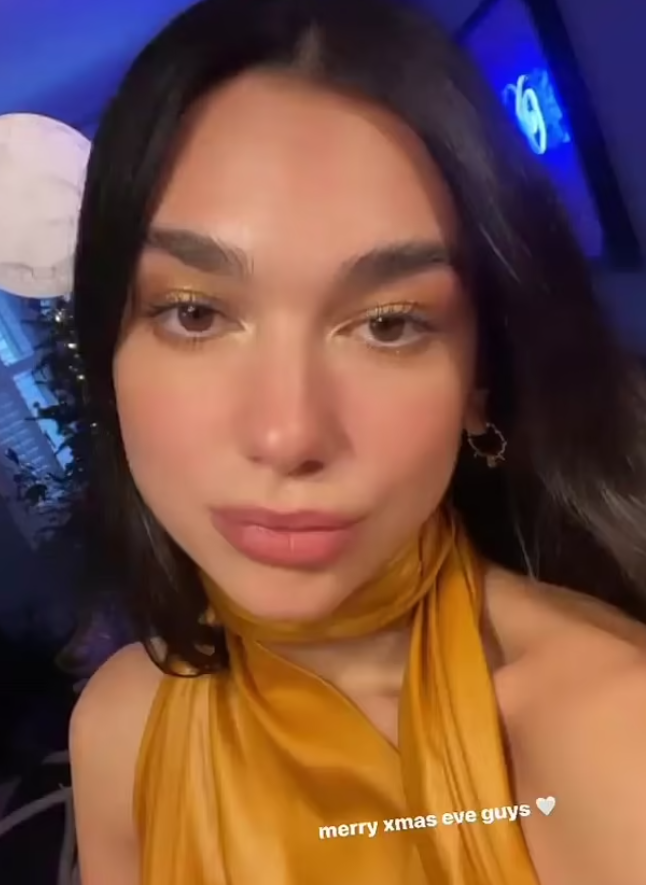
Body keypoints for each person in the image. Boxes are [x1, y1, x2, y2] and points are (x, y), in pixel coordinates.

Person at [68, 0, 646, 882]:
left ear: (481, 380)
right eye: (194, 313)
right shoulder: (118, 727)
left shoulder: (611, 742)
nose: (287, 434)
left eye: (389, 324)